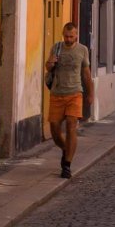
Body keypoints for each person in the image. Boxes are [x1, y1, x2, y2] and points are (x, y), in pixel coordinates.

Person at [45, 21, 92, 179]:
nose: (69, 39)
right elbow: (48, 68)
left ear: (76, 35)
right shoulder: (57, 47)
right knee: (55, 130)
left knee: (72, 126)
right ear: (63, 34)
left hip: (75, 93)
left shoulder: (82, 50)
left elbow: (86, 73)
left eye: (71, 36)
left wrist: (90, 93)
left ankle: (67, 165)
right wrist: (50, 63)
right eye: (66, 36)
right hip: (57, 93)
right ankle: (66, 149)